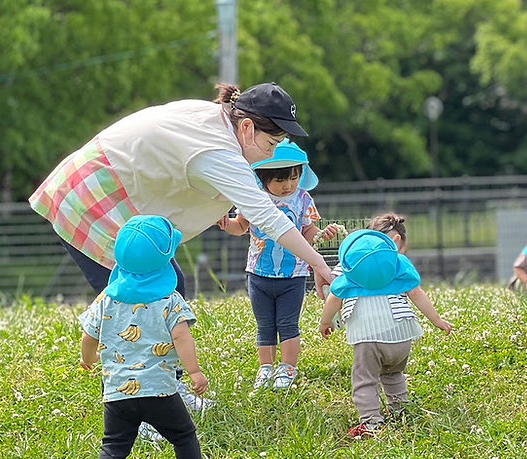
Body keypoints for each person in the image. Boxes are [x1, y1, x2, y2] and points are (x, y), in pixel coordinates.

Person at [29, 81, 336, 298]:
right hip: (93, 198)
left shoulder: (214, 118)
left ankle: (165, 384)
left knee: (167, 287)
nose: (271, 155)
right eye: (271, 144)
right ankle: (141, 387)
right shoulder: (218, 151)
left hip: (105, 190)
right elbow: (268, 217)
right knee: (145, 296)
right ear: (246, 128)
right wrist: (320, 265)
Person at [78, 215, 223, 459]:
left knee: (113, 445)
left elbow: (88, 335)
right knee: (183, 435)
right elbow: (182, 338)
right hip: (159, 390)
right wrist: (194, 372)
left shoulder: (106, 299)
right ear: (166, 259)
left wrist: (87, 359)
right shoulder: (170, 301)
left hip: (117, 392)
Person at [218, 140, 341, 390]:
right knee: (264, 325)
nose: (288, 185)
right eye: (280, 180)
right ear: (263, 178)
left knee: (287, 324)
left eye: (294, 178)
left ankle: (287, 368)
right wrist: (225, 223)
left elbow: (307, 231)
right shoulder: (254, 198)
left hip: (293, 276)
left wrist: (321, 234)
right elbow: (241, 225)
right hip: (258, 275)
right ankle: (265, 368)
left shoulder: (302, 199)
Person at [318, 224, 452, 438]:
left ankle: (371, 423)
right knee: (393, 373)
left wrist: (325, 322)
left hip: (367, 337)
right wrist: (437, 320)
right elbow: (416, 293)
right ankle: (401, 411)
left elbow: (333, 298)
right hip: (401, 334)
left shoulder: (349, 271)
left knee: (364, 379)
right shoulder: (398, 264)